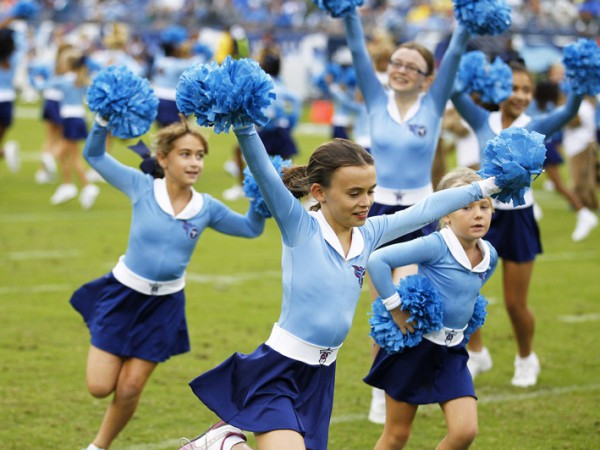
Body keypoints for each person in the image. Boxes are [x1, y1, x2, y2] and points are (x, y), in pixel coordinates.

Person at [179, 119, 502, 450]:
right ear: (319, 192)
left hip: (321, 376)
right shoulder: (300, 226)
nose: (366, 201)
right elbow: (263, 171)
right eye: (354, 193)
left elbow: (426, 210)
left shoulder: (371, 232)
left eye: (371, 191)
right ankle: (225, 444)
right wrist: (245, 127)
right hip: (279, 370)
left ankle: (223, 442)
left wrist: (490, 185)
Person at [72, 116, 266, 450]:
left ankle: (98, 446)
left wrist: (260, 199)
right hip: (122, 295)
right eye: (185, 154)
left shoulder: (206, 207)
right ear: (163, 159)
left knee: (131, 387)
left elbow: (250, 228)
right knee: (99, 386)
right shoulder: (142, 186)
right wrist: (103, 121)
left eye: (200, 156)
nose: (194, 163)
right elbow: (94, 156)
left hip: (164, 305)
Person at [341, 6, 474, 423]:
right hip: (375, 212)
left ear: (426, 78)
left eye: (411, 66)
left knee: (413, 302)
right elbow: (359, 51)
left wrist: (469, 20)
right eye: (396, 62)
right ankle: (382, 391)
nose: (400, 69)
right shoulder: (376, 99)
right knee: (381, 304)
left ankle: (414, 382)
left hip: (419, 213)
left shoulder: (433, 105)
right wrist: (347, 12)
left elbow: (453, 53)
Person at [451, 60, 586, 387]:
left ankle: (526, 358)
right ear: (497, 87)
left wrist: (583, 81)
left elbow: (569, 111)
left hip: (519, 220)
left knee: (514, 302)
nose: (520, 95)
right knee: (465, 293)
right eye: (513, 87)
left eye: (526, 89)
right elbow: (454, 91)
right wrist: (466, 52)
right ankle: (478, 353)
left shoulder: (536, 123)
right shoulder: (483, 118)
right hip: (481, 216)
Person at [365, 167, 498, 449]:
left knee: (464, 432)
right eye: (466, 207)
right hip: (413, 349)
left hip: (452, 352)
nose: (478, 214)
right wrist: (395, 308)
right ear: (446, 215)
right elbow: (377, 261)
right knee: (396, 436)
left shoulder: (490, 255)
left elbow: (470, 292)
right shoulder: (435, 245)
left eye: (484, 206)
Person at [223, 47, 301, 201]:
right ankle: (302, 196)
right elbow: (296, 100)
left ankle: (242, 187)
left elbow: (269, 113)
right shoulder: (281, 83)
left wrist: (257, 123)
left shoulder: (266, 84)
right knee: (286, 166)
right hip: (282, 129)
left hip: (269, 130)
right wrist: (291, 122)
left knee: (245, 153)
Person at [529, 79, 598, 241]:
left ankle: (584, 212)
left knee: (560, 184)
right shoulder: (547, 107)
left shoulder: (544, 108)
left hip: (545, 148)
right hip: (540, 148)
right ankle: (532, 205)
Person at [49, 47, 100, 209]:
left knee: (61, 152)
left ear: (67, 65)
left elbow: (43, 86)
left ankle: (83, 186)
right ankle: (75, 185)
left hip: (70, 119)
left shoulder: (64, 80)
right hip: (77, 118)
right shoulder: (81, 79)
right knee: (74, 156)